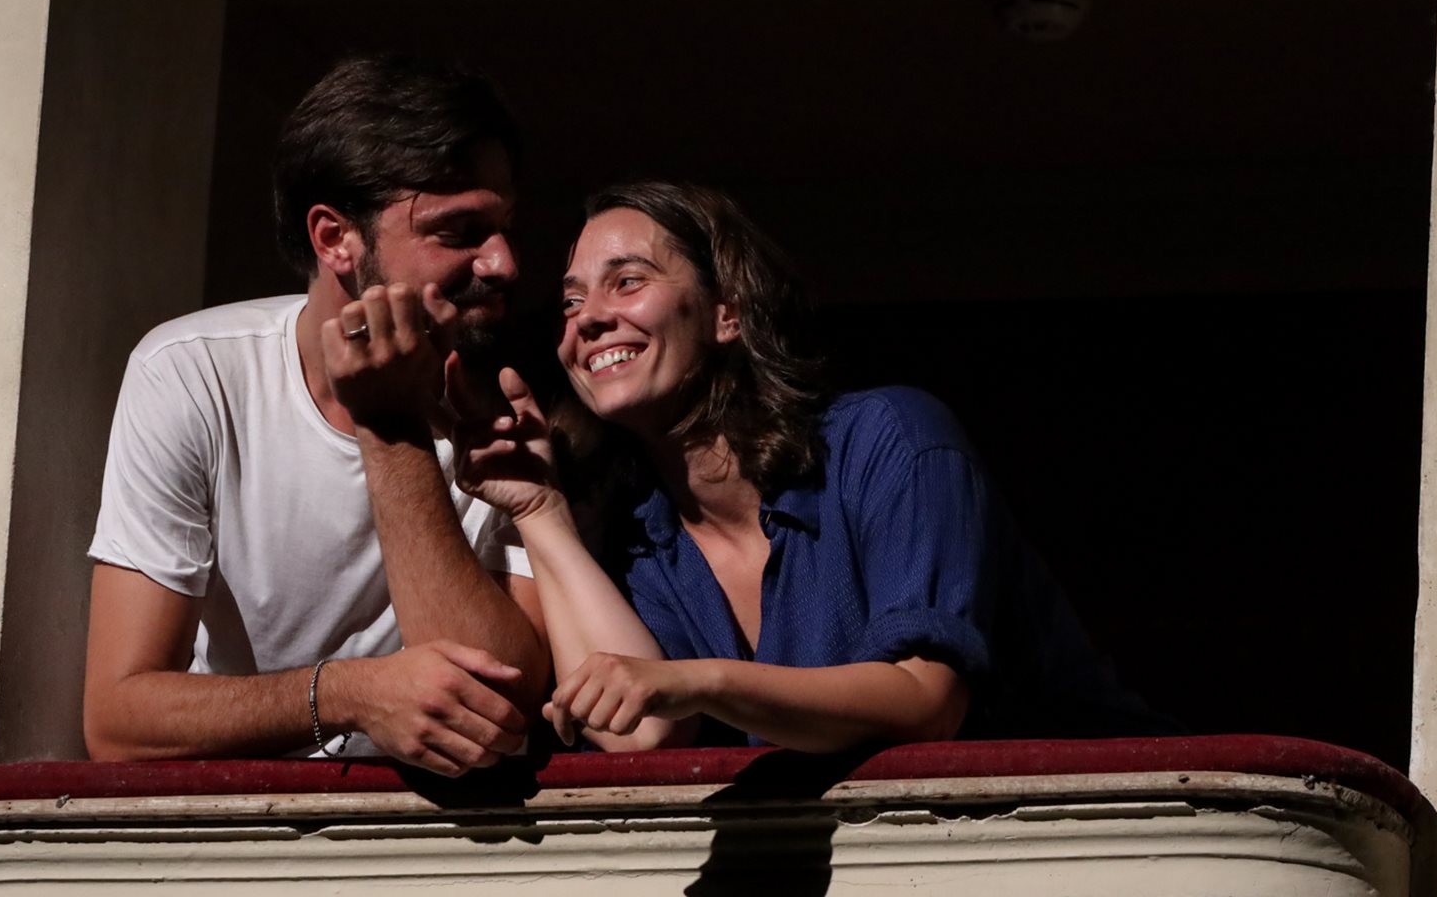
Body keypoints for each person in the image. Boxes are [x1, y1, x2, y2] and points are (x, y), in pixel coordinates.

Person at [453, 181, 1159, 752]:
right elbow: (641, 732)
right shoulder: (643, 533)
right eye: (572, 301)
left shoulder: (889, 440)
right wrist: (540, 511)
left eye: (627, 281)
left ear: (727, 313)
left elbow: (925, 702)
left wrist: (701, 681)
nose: (587, 319)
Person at [82, 55, 549, 776]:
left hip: (443, 831)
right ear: (335, 239)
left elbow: (499, 710)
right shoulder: (193, 372)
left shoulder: (508, 399)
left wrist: (390, 431)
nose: (504, 263)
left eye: (504, 227)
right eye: (460, 231)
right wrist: (349, 694)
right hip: (241, 828)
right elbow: (119, 718)